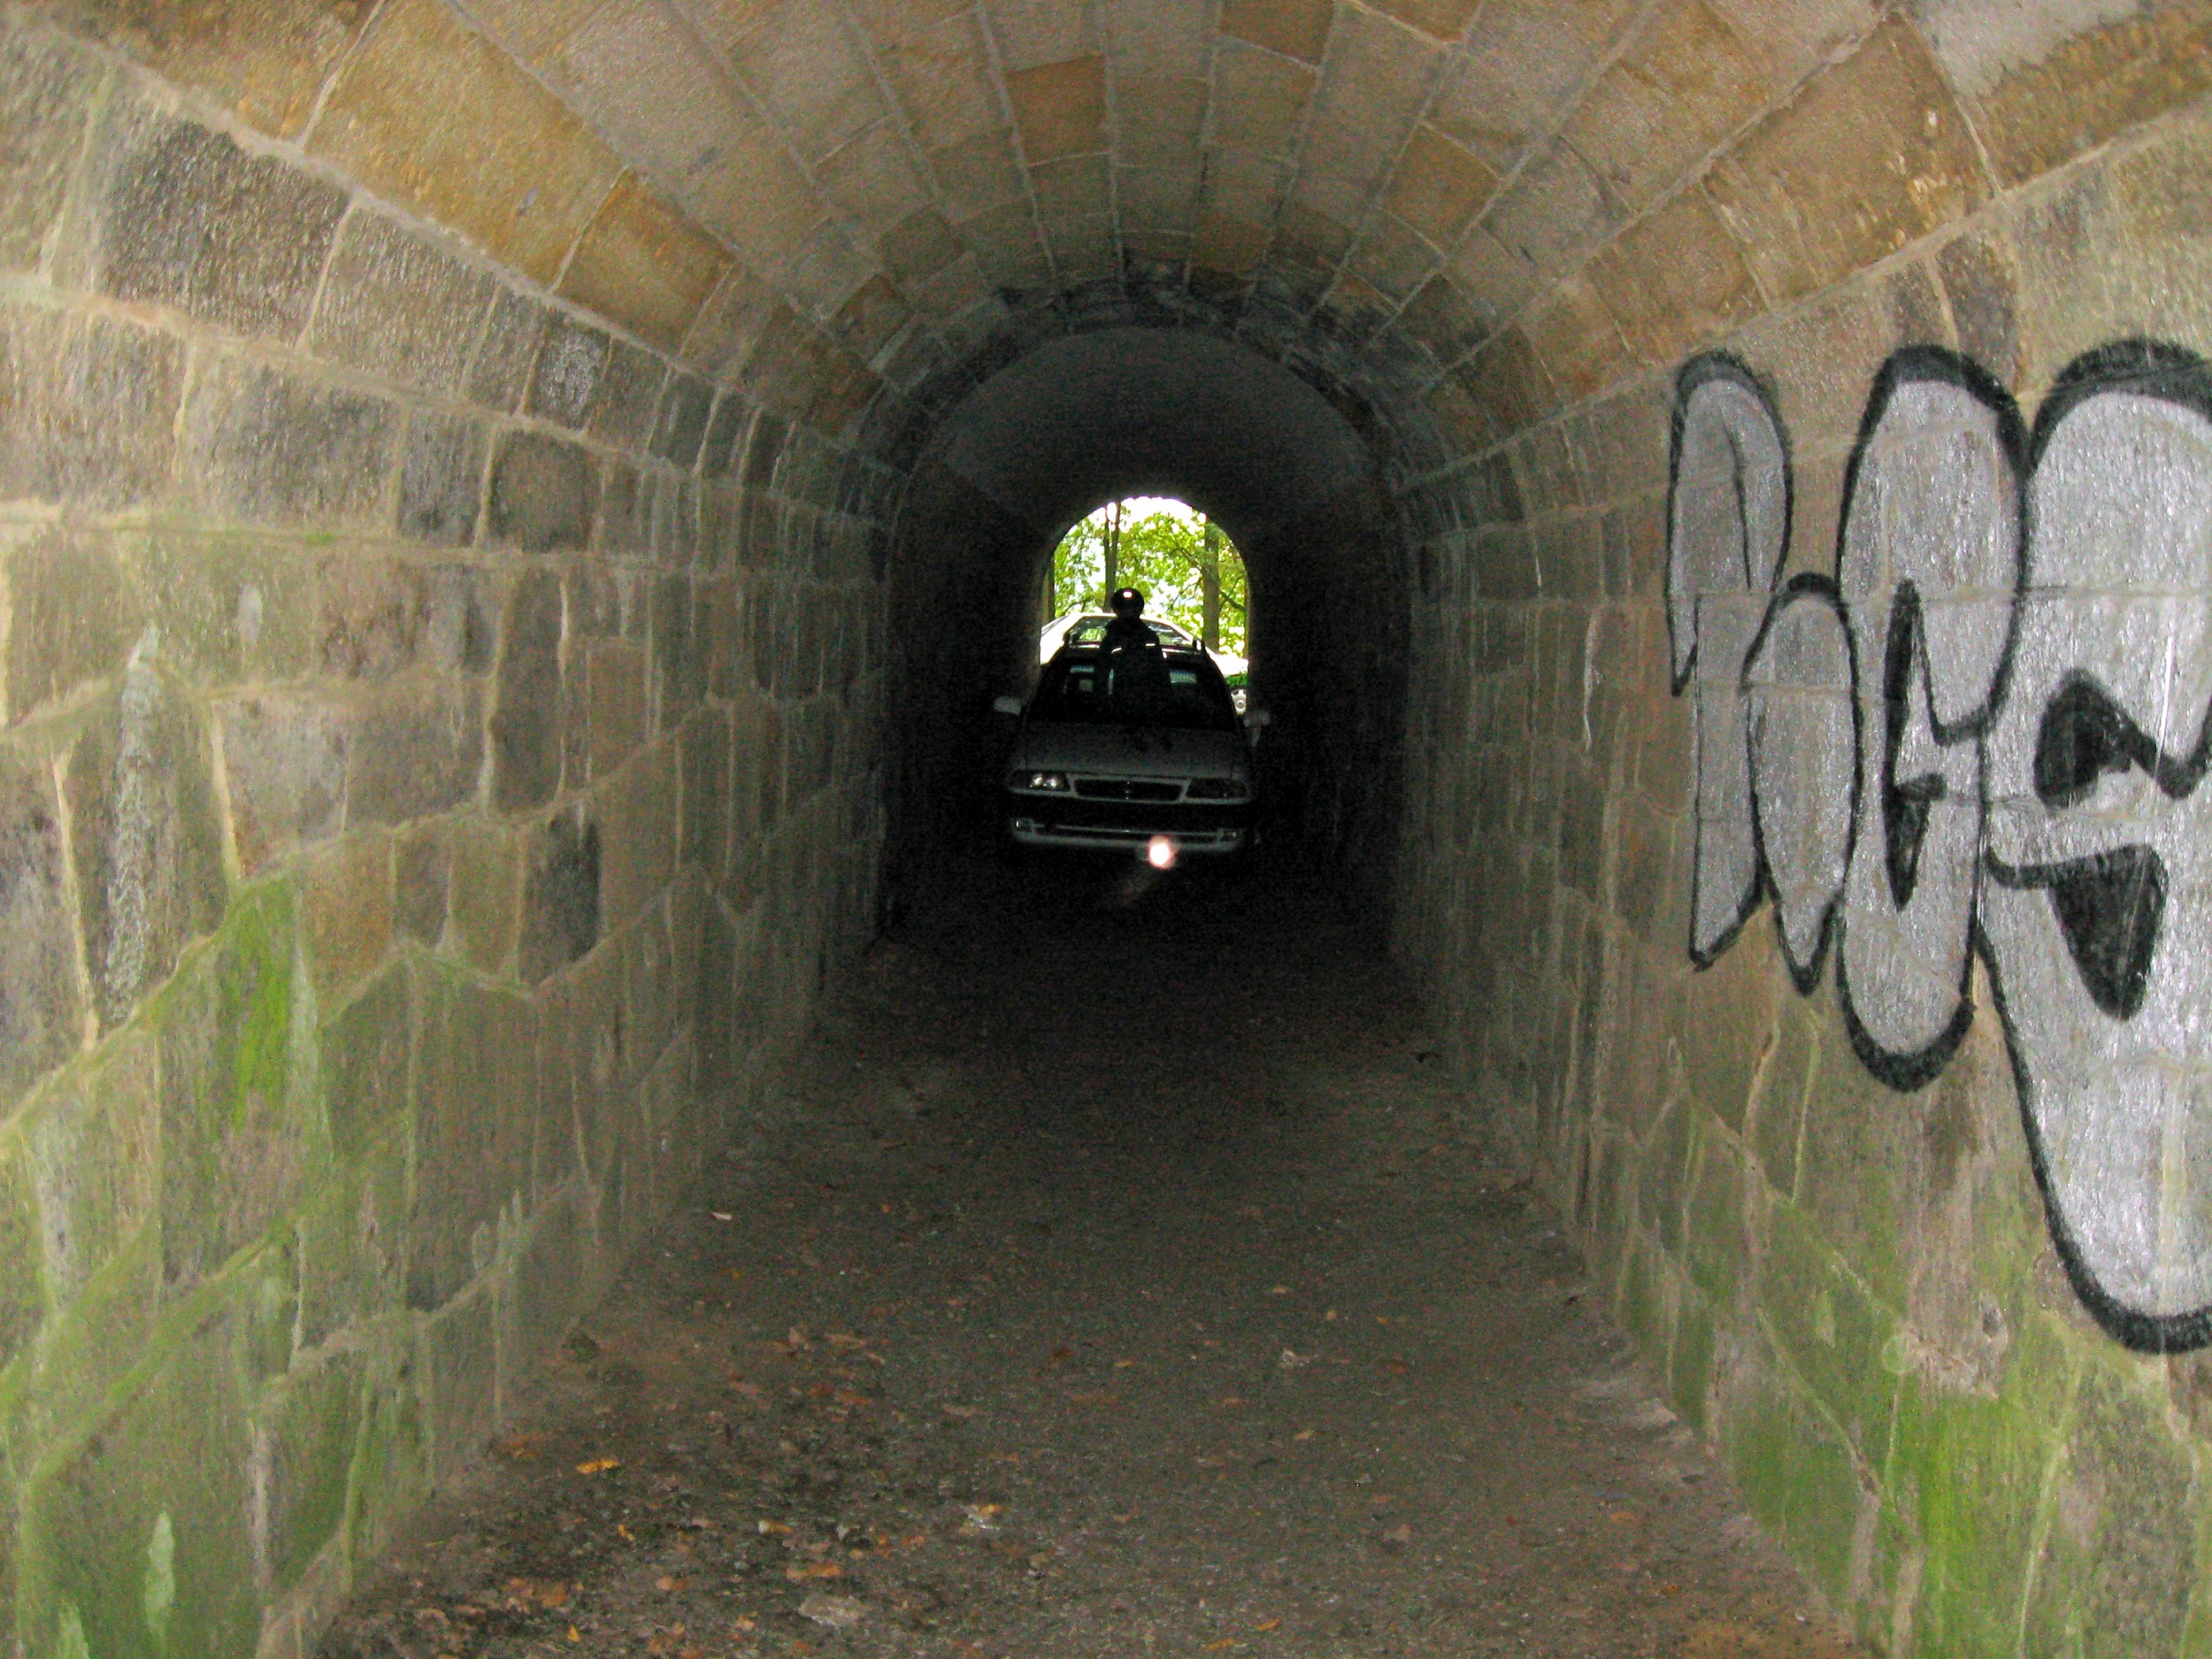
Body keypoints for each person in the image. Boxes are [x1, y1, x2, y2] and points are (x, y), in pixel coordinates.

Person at [1100, 588, 1170, 718]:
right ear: (1117, 610)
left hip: (1148, 710)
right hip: (1120, 708)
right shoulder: (1111, 640)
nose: (1128, 613)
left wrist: (1161, 704)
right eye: (1124, 608)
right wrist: (1104, 705)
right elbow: (1101, 675)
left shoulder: (1150, 638)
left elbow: (1162, 673)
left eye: (1131, 608)